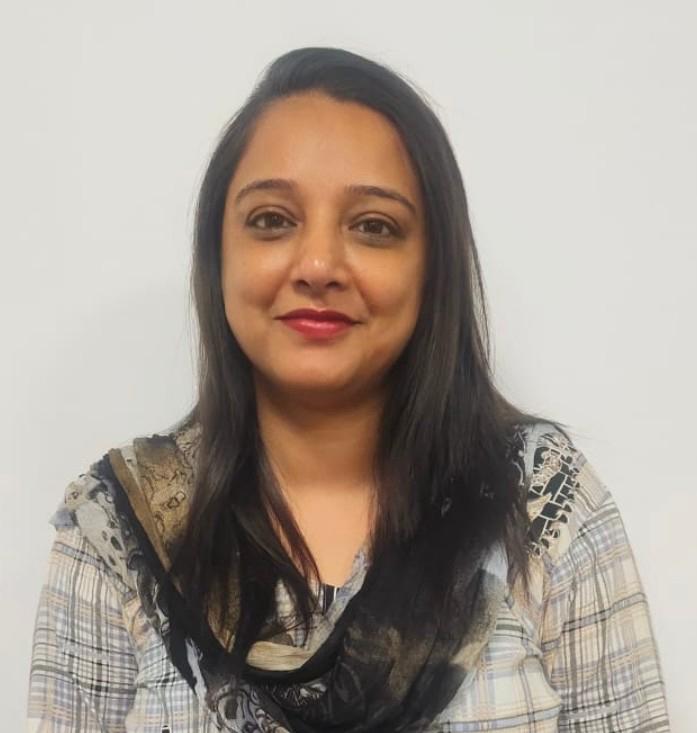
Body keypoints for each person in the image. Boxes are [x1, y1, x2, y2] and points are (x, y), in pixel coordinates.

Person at [26, 46, 671, 732]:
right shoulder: (120, 530)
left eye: (373, 226)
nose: (318, 264)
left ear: (433, 268)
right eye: (272, 219)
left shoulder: (539, 504)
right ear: (218, 257)